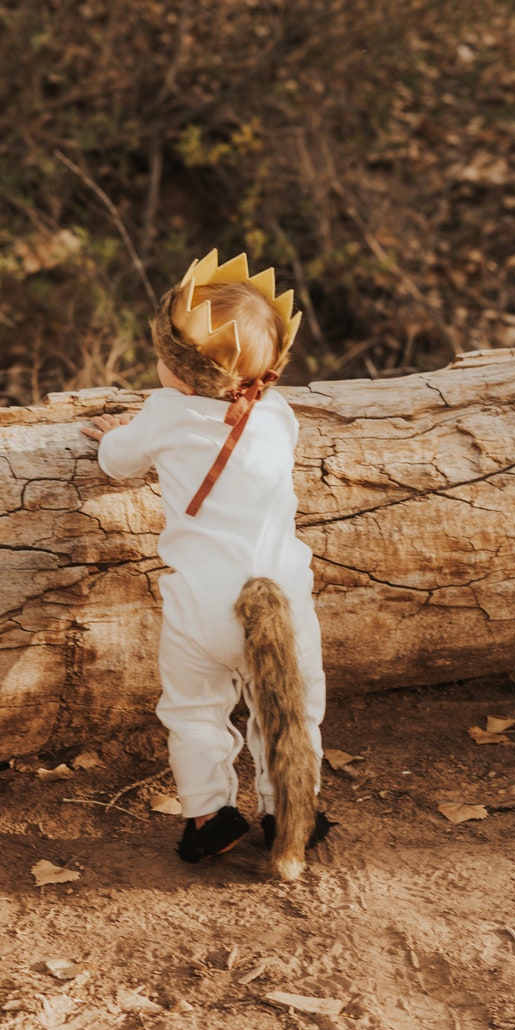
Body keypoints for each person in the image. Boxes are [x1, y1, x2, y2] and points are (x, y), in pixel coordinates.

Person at [82, 250, 330, 880]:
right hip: (285, 598)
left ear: (186, 374)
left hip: (203, 606)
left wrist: (116, 433)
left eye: (165, 358)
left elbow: (117, 461)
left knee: (195, 709)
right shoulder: (278, 413)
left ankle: (208, 818)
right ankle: (289, 815)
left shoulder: (165, 411)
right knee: (290, 712)